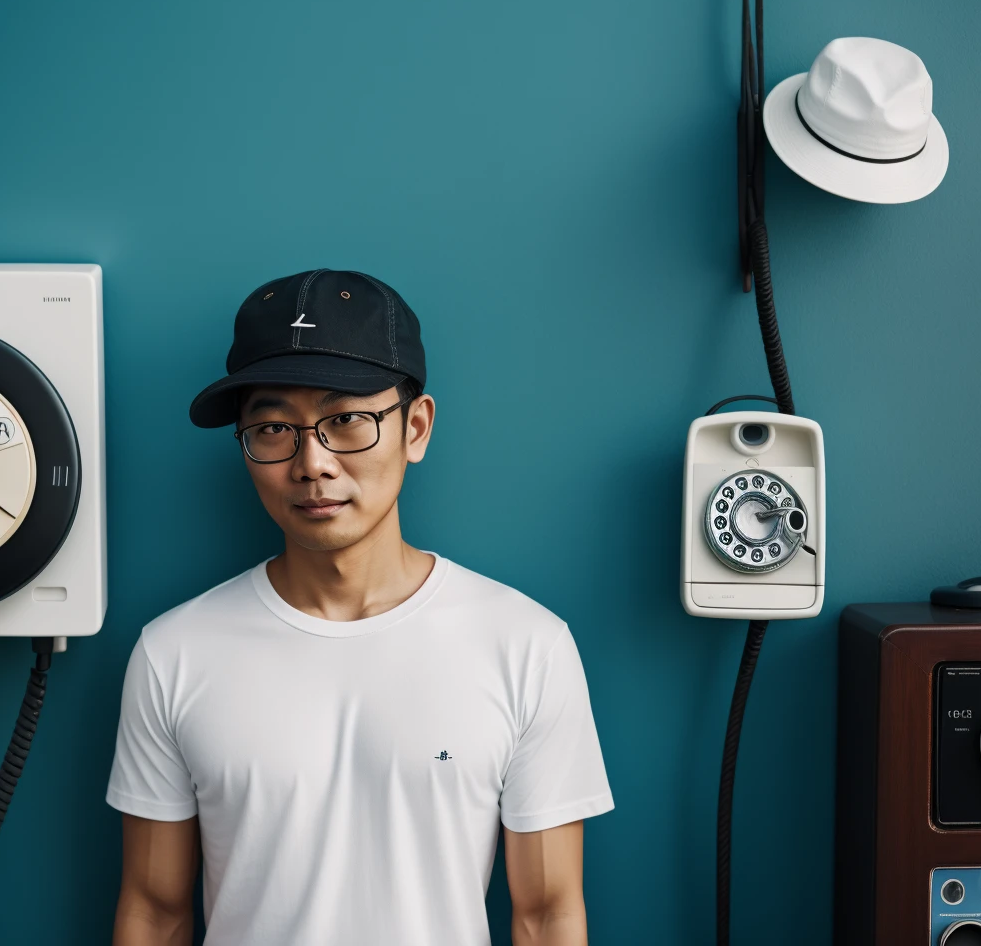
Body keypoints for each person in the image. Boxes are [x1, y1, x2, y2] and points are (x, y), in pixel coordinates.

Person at [107, 269, 614, 945]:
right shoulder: (174, 652)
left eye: (345, 420)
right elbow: (153, 910)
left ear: (417, 427)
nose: (311, 461)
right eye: (274, 427)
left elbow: (548, 915)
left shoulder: (524, 645)